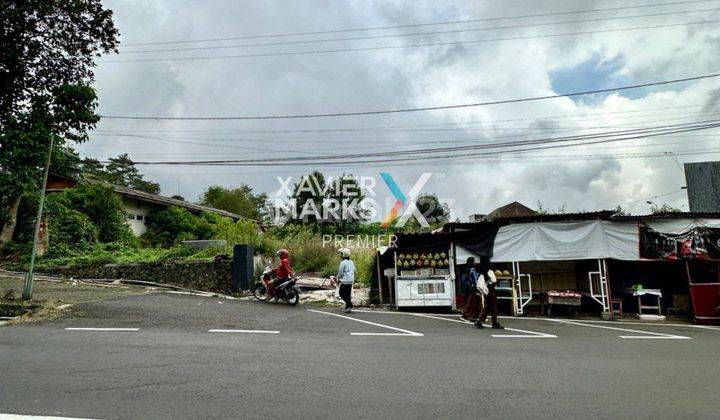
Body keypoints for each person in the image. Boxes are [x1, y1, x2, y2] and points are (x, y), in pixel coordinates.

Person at [475, 258, 504, 330]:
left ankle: (491, 322)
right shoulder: (490, 271)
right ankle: (481, 321)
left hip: (486, 291)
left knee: (488, 306)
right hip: (491, 291)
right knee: (492, 307)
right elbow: (494, 280)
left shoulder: (482, 272)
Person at [336, 248, 356, 313]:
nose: (340, 255)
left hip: (345, 280)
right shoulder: (351, 262)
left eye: (341, 254)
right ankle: (348, 308)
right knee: (347, 294)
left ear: (344, 255)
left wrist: (338, 278)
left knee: (341, 293)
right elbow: (355, 270)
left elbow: (340, 272)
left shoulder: (343, 262)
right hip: (351, 280)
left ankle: (349, 304)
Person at [461, 257, 481, 321]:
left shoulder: (467, 269)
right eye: (474, 261)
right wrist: (477, 287)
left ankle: (468, 315)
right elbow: (475, 280)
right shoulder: (472, 270)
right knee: (472, 302)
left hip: (469, 288)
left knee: (470, 301)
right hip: (473, 288)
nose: (475, 263)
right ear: (472, 262)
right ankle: (467, 315)